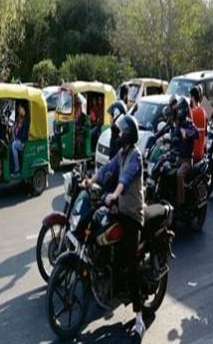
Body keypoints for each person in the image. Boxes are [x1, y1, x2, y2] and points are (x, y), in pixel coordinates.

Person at [84, 115, 146, 337]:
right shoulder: (121, 154)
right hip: (119, 211)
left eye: (120, 132)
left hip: (132, 215)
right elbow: (107, 169)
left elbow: (126, 178)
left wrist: (114, 194)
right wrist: (90, 181)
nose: (117, 136)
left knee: (130, 264)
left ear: (127, 135)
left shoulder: (135, 156)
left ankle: (139, 320)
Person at [171, 98, 199, 206]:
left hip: (187, 161)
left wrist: (186, 132)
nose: (178, 112)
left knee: (179, 174)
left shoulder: (188, 123)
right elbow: (173, 136)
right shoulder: (178, 124)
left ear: (184, 110)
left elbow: (196, 133)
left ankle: (180, 203)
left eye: (179, 110)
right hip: (177, 158)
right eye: (177, 110)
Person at [10, 102, 29, 176]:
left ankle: (17, 169)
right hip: (19, 139)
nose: (18, 110)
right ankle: (12, 167)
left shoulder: (26, 119)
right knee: (10, 143)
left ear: (23, 108)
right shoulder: (19, 118)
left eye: (19, 108)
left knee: (14, 145)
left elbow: (24, 135)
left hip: (23, 142)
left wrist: (18, 138)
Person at [189, 85, 207, 162]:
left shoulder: (193, 112)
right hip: (201, 151)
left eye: (190, 96)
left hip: (193, 152)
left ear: (192, 97)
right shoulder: (203, 110)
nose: (189, 99)